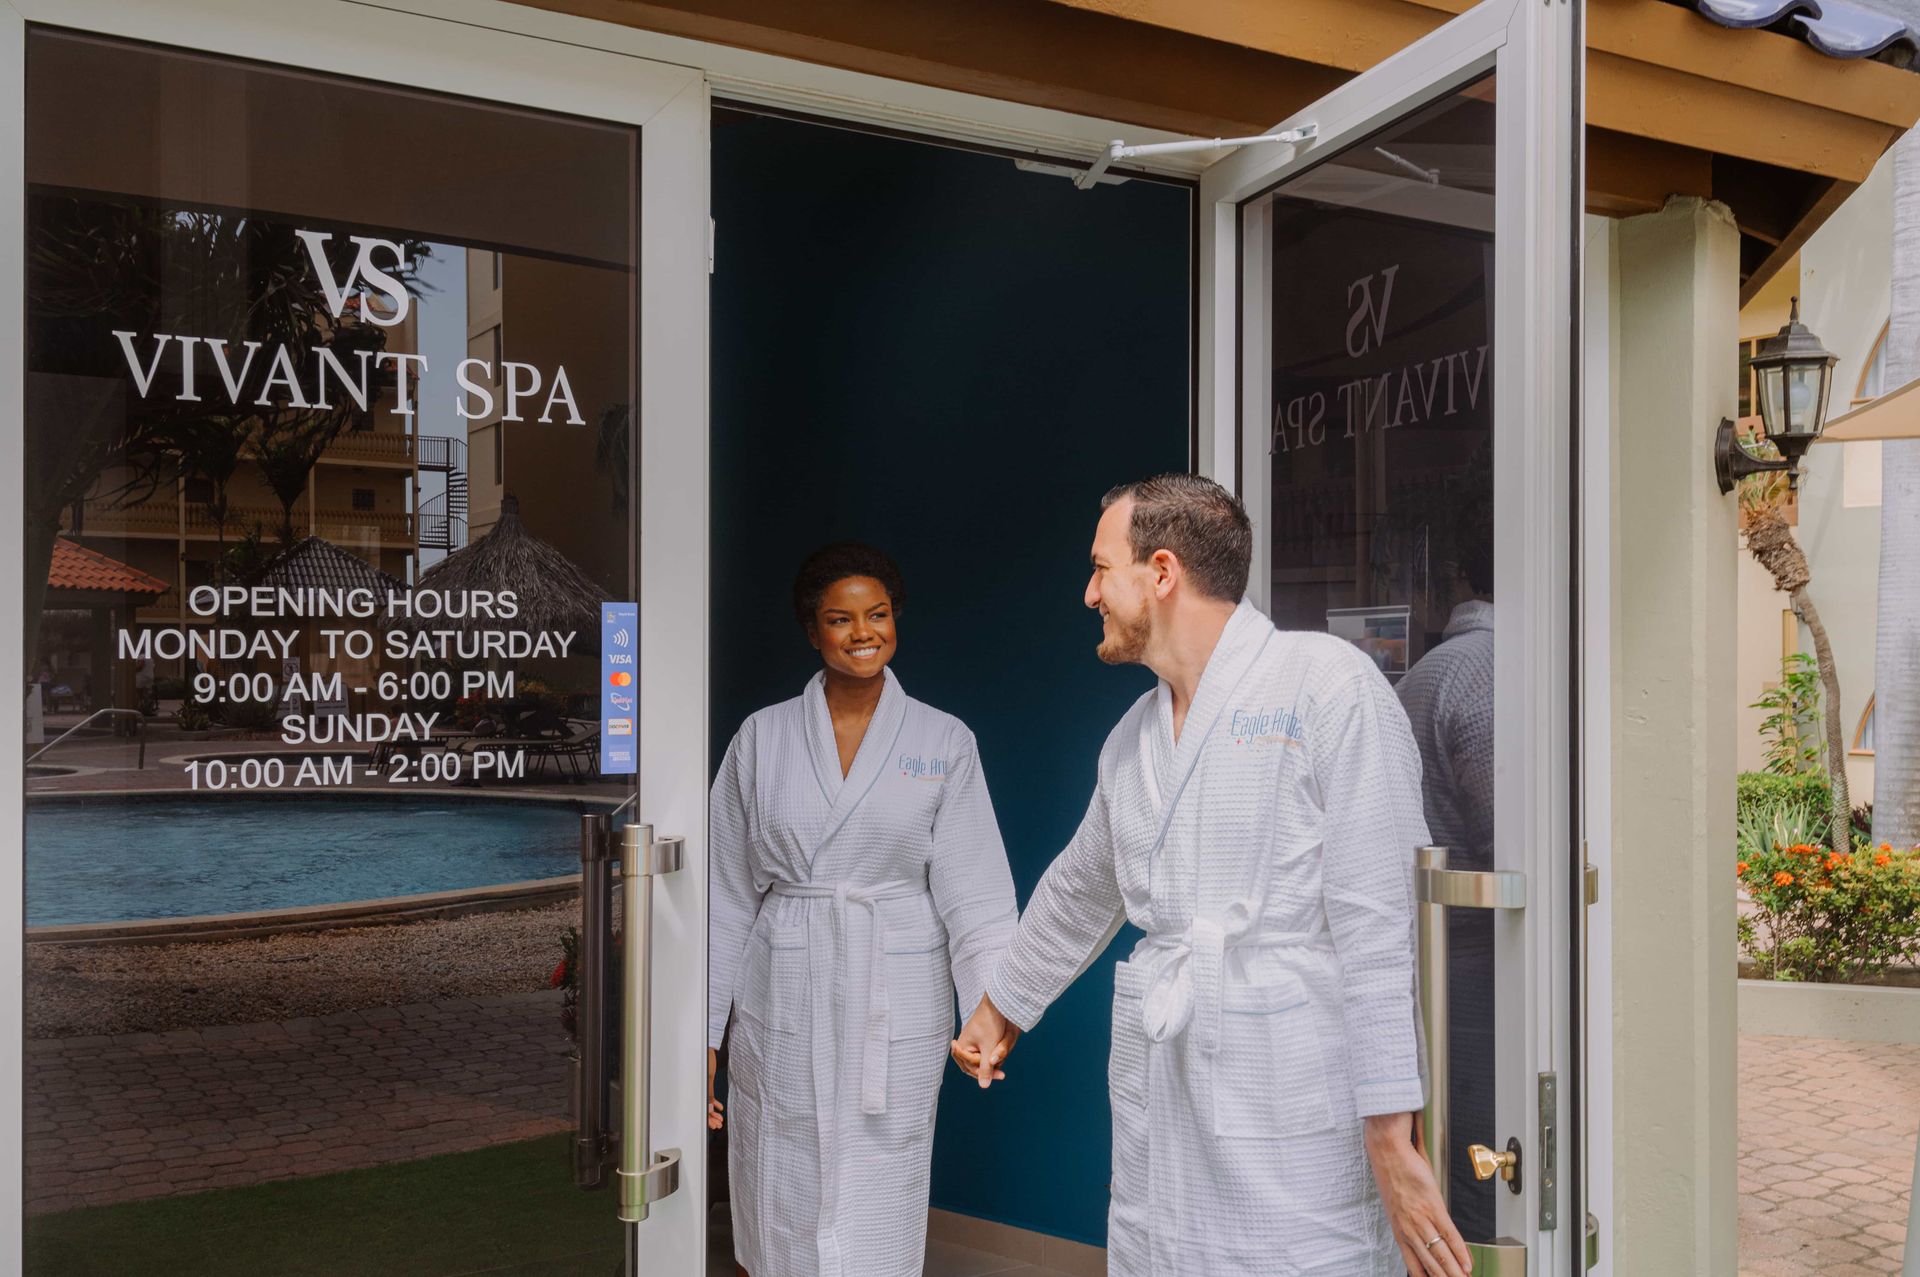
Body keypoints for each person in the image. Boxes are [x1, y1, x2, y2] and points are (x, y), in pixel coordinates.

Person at [952, 474, 1471, 1277]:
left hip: (1290, 1091)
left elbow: (1378, 922)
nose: (1089, 593)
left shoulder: (1327, 686)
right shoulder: (1134, 738)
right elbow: (1082, 887)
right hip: (1170, 1104)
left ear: (1161, 572)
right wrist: (1002, 1005)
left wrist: (1391, 1131)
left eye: (1101, 569)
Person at [709, 541, 1018, 1277]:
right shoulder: (762, 737)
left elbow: (975, 892)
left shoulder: (943, 739)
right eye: (839, 618)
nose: (862, 632)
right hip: (785, 978)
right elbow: (724, 895)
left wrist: (991, 1007)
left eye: (877, 614)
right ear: (812, 629)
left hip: (895, 982)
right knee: (777, 1152)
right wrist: (704, 1033)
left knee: (886, 1165)